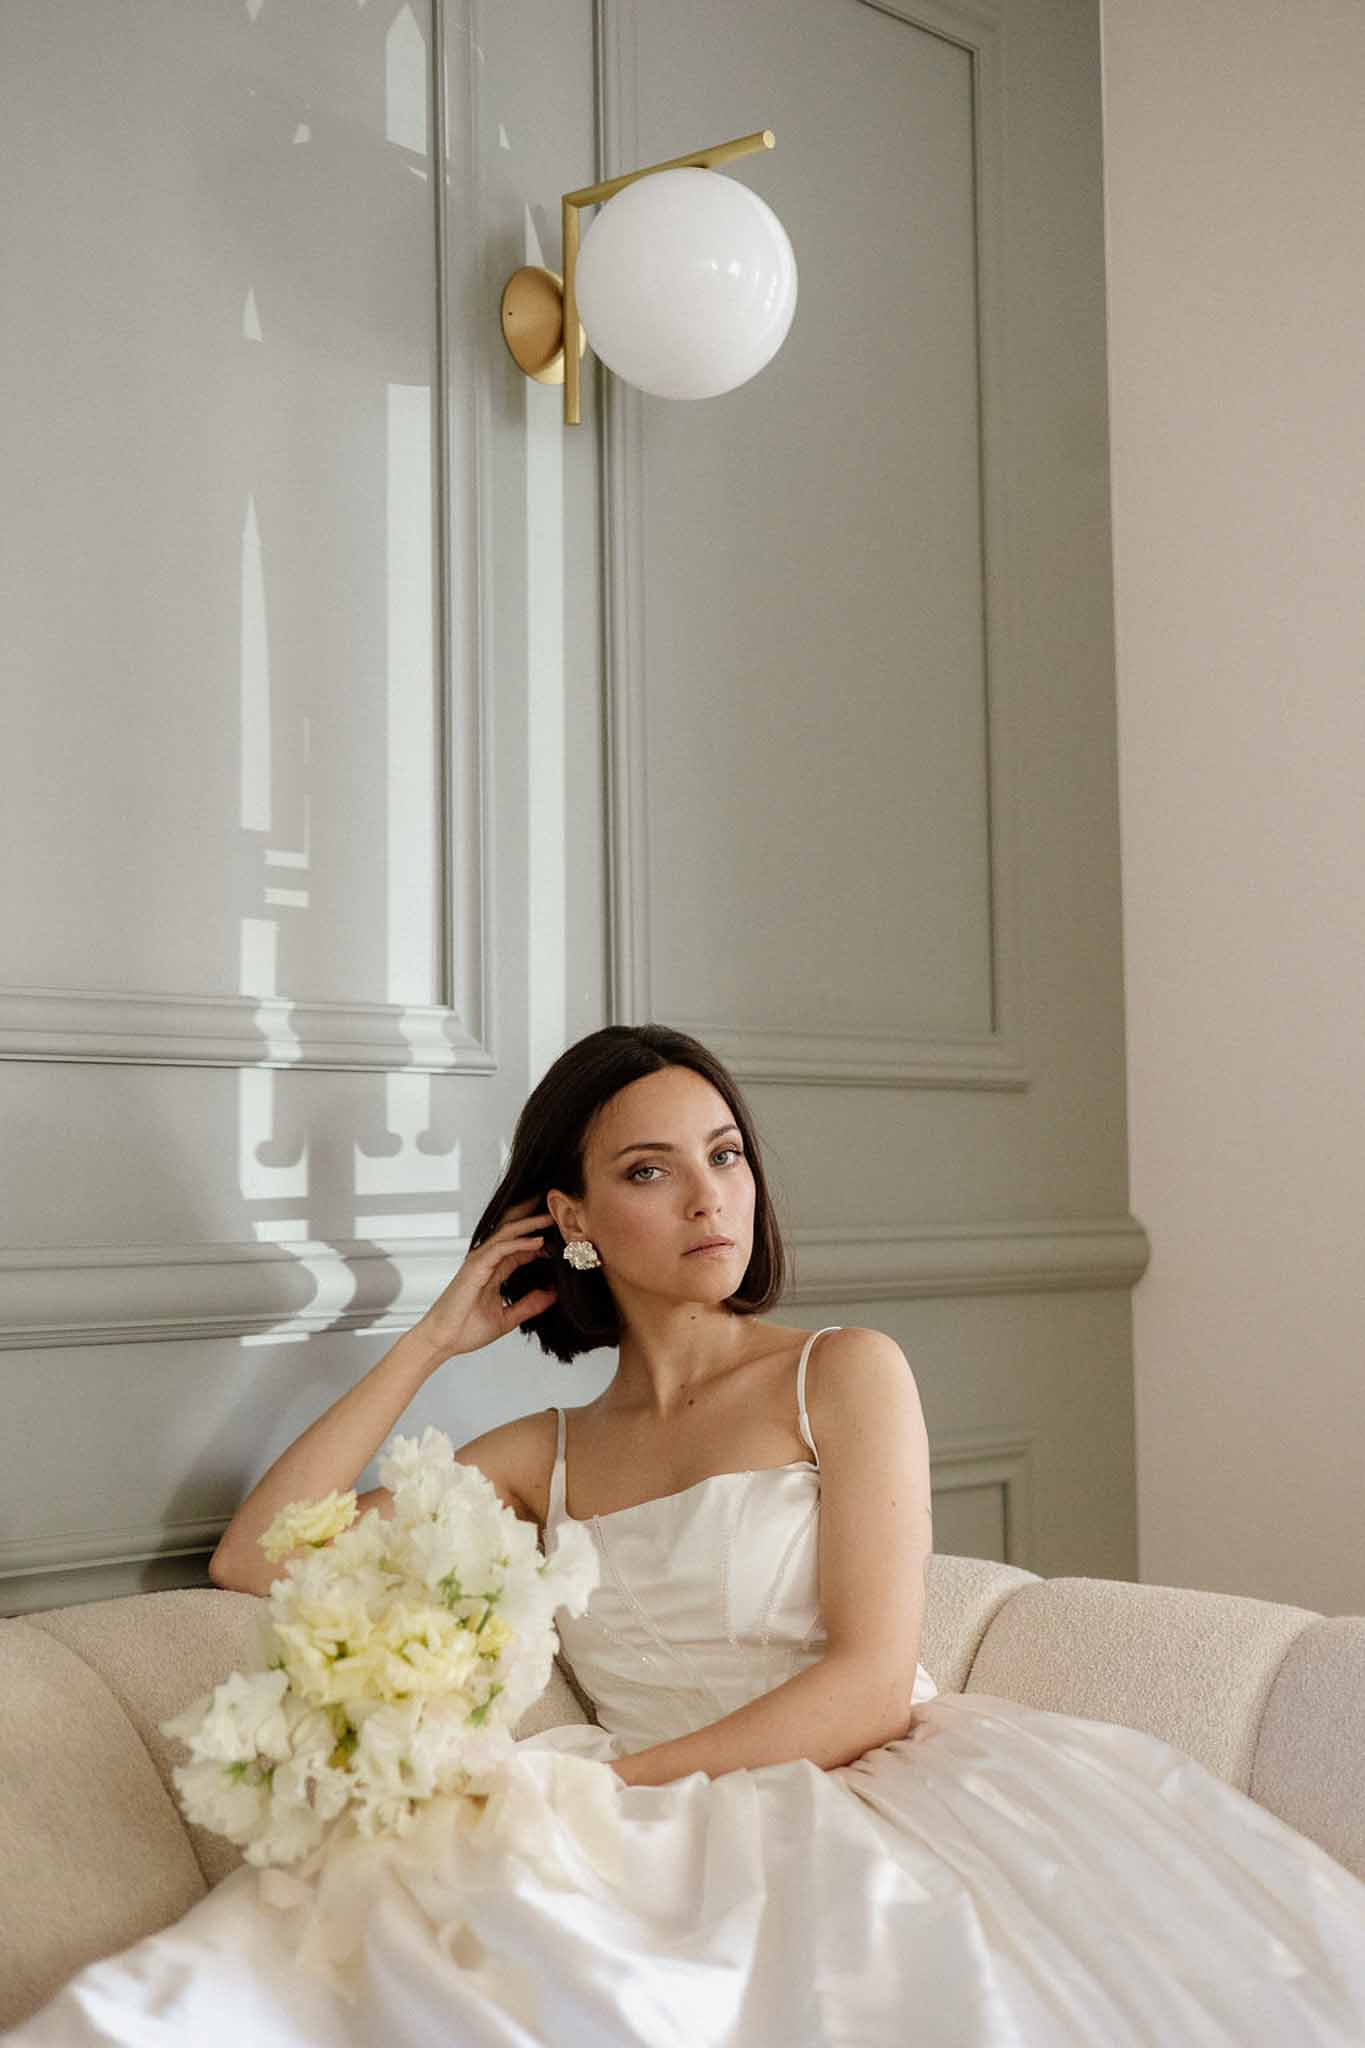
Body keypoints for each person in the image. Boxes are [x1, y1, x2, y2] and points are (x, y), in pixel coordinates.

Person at [12, 1023, 1365, 2045]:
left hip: (862, 1789)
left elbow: (859, 1675)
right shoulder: (539, 1458)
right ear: (574, 1223)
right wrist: (432, 1339)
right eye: (649, 1171)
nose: (710, 1196)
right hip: (640, 1808)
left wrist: (616, 1792)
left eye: (724, 1156)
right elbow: (258, 1557)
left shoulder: (840, 1370)